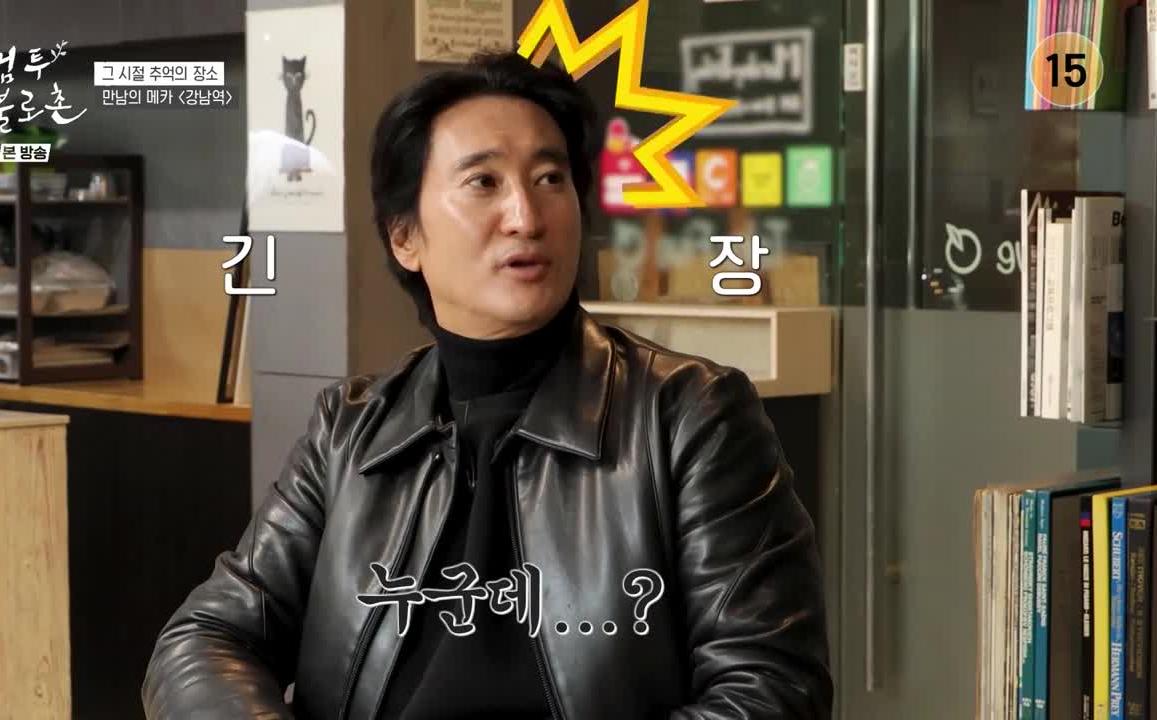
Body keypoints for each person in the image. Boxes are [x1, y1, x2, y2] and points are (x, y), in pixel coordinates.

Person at [142, 49, 832, 720]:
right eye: (483, 182)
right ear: (405, 237)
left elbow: (771, 687)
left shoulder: (688, 417)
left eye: (551, 178)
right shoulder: (351, 431)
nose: (527, 217)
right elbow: (204, 639)